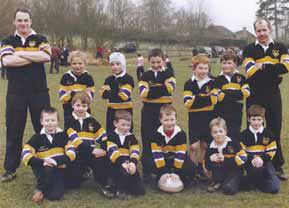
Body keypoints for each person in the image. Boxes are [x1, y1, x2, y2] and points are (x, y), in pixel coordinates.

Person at [0, 8, 51, 182]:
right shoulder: (8, 40)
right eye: (20, 20)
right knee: (14, 131)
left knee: (44, 130)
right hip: (16, 94)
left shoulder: (40, 39)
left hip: (39, 92)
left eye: (26, 20)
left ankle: (47, 164)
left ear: (31, 21)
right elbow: (7, 61)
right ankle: (10, 169)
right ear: (14, 22)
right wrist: (34, 56)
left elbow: (47, 56)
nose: (23, 24)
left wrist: (20, 53)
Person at [242, 17, 289, 180]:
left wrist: (261, 66)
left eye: (264, 30)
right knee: (252, 129)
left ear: (270, 30)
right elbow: (249, 71)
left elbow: (285, 67)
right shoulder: (248, 49)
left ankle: (276, 166)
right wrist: (273, 72)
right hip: (254, 95)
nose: (262, 33)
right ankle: (250, 164)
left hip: (273, 94)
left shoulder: (280, 47)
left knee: (274, 129)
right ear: (255, 32)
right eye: (258, 30)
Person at [65, 92, 114, 198]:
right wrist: (92, 151)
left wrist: (104, 149)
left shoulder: (92, 121)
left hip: (91, 154)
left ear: (88, 107)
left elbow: (103, 136)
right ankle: (83, 172)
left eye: (84, 106)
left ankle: (103, 183)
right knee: (73, 184)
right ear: (72, 105)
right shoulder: (69, 121)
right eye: (78, 105)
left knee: (100, 160)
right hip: (76, 153)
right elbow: (75, 140)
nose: (80, 109)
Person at [21, 107, 75, 203]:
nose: (50, 123)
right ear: (42, 121)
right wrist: (43, 162)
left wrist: (56, 161)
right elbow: (25, 155)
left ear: (57, 121)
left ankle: (57, 183)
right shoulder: (36, 138)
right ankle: (39, 189)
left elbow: (72, 152)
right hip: (44, 169)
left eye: (53, 120)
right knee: (53, 193)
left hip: (59, 167)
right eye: (47, 120)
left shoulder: (63, 135)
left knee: (56, 195)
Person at [139, 48, 176, 181]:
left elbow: (171, 88)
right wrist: (162, 88)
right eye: (153, 62)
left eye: (158, 62)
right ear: (149, 61)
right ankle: (147, 170)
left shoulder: (169, 73)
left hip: (164, 111)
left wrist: (152, 89)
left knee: (163, 139)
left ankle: (164, 168)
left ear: (163, 60)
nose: (155, 65)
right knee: (147, 140)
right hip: (148, 112)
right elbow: (143, 92)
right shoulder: (145, 75)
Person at [183, 54, 218, 180]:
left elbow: (214, 100)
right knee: (194, 146)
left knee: (204, 145)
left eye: (205, 68)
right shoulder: (189, 84)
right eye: (200, 68)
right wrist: (204, 98)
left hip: (208, 117)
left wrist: (196, 98)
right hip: (194, 118)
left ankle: (200, 166)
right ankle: (191, 170)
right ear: (194, 69)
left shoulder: (212, 83)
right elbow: (187, 103)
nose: (203, 71)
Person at [148, 104, 193, 191]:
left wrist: (176, 172)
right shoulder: (156, 134)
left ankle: (181, 177)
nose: (169, 123)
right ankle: (160, 176)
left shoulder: (181, 134)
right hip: (163, 158)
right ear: (160, 120)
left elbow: (180, 154)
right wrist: (163, 172)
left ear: (176, 119)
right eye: (166, 120)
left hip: (175, 158)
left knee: (190, 167)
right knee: (149, 162)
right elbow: (157, 155)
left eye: (172, 120)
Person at [240, 105, 280, 193]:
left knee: (274, 188)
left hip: (265, 162)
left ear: (263, 120)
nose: (256, 122)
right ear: (248, 120)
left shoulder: (268, 134)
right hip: (250, 162)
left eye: (259, 119)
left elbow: (271, 151)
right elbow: (242, 151)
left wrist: (261, 159)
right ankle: (253, 182)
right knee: (255, 172)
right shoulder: (243, 134)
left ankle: (256, 184)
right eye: (253, 119)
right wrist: (252, 159)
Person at [106, 110, 145, 199]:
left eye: (128, 125)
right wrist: (122, 163)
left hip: (129, 163)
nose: (126, 128)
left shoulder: (131, 137)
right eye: (123, 125)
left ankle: (122, 187)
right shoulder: (111, 136)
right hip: (116, 163)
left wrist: (132, 163)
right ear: (115, 124)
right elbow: (112, 151)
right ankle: (120, 190)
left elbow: (135, 151)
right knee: (124, 173)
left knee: (140, 191)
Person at [205, 117, 247, 195]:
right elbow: (207, 166)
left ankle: (235, 182)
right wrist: (211, 159)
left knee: (229, 189)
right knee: (216, 165)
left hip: (234, 171)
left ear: (225, 131)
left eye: (220, 131)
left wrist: (225, 159)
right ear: (211, 134)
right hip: (220, 173)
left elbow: (243, 158)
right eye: (215, 132)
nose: (218, 134)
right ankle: (218, 182)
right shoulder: (211, 147)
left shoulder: (233, 143)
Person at [215, 50, 250, 140]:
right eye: (224, 63)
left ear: (235, 64)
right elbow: (218, 96)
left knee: (235, 137)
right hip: (221, 113)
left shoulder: (241, 78)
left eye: (229, 63)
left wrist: (225, 93)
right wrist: (236, 93)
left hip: (236, 113)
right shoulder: (217, 79)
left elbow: (246, 92)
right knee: (222, 136)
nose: (226, 66)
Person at [99, 52, 134, 133]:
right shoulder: (109, 79)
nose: (115, 67)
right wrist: (117, 92)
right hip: (111, 110)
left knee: (126, 132)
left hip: (125, 110)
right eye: (112, 64)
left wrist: (110, 92)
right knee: (111, 132)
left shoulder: (128, 78)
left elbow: (124, 96)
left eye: (118, 64)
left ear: (123, 64)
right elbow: (103, 94)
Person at [59, 50, 95, 126]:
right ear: (70, 64)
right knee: (69, 130)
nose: (77, 66)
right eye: (74, 63)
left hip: (84, 109)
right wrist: (79, 93)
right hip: (69, 109)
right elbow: (62, 96)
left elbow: (90, 96)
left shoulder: (88, 77)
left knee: (86, 129)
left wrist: (72, 93)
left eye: (80, 63)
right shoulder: (66, 77)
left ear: (85, 64)